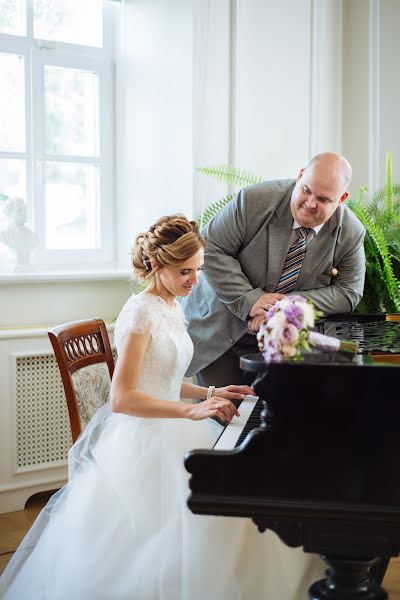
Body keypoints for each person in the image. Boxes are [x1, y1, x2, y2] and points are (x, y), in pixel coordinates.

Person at [0, 214, 324, 599]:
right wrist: (190, 411)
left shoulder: (171, 305)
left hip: (172, 423)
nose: (195, 280)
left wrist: (210, 393)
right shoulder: (140, 312)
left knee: (238, 500)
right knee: (223, 513)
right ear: (156, 265)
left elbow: (162, 379)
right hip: (145, 439)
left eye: (199, 269)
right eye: (185, 271)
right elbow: (122, 398)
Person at [182, 152, 366, 387]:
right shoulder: (253, 200)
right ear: (299, 176)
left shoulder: (351, 232)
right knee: (224, 414)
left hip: (284, 340)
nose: (310, 203)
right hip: (220, 326)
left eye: (323, 199)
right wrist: (251, 301)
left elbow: (349, 292)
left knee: (281, 412)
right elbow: (209, 248)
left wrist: (282, 307)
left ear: (342, 199)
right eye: (306, 190)